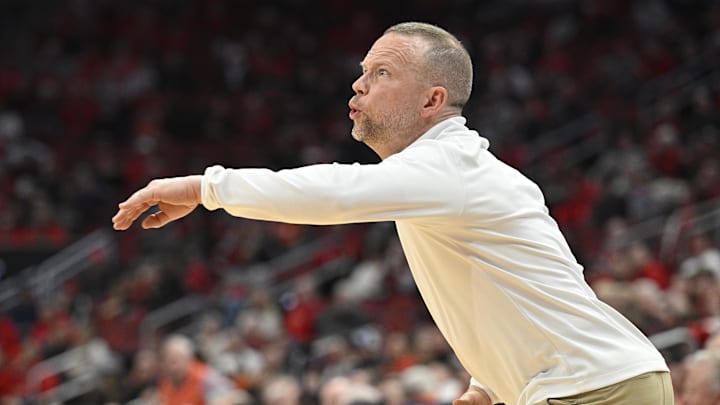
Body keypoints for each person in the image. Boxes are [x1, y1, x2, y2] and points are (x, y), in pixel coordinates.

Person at [112, 22, 673, 405]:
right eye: (363, 70)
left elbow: (334, 193)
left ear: (431, 101)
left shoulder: (447, 166)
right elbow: (545, 284)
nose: (358, 83)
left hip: (595, 390)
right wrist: (489, 378)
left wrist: (203, 187)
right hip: (595, 382)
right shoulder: (458, 172)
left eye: (382, 73)